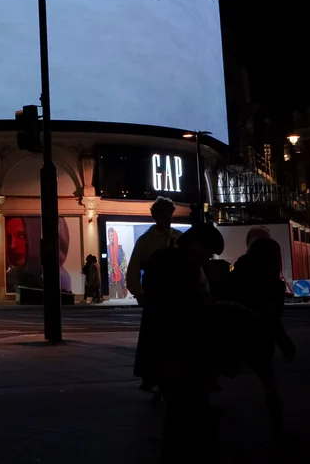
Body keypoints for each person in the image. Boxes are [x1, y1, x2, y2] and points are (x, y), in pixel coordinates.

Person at [141, 224, 217, 462]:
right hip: (180, 351)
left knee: (181, 412)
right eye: (208, 251)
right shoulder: (179, 268)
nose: (208, 257)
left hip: (178, 351)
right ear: (197, 246)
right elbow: (171, 313)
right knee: (185, 412)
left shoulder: (176, 263)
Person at [228, 236, 295, 444]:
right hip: (259, 336)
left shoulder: (239, 273)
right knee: (268, 382)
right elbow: (272, 316)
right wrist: (284, 343)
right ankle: (279, 430)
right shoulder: (270, 282)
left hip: (235, 333)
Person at [129, 197, 182, 393]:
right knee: (153, 337)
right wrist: (139, 291)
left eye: (168, 214)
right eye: (163, 215)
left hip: (173, 293)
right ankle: (151, 376)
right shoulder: (146, 240)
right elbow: (134, 268)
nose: (166, 218)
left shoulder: (176, 237)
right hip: (156, 293)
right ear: (156, 216)